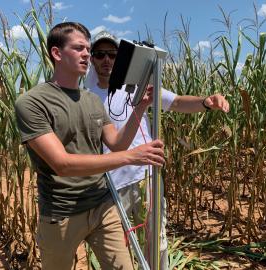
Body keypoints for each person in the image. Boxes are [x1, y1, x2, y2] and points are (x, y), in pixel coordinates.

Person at [14, 22, 165, 270]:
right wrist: (131, 157)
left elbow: (117, 144)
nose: (87, 54)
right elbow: (62, 164)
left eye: (87, 48)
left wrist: (140, 107)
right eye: (79, 48)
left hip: (102, 205)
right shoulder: (32, 103)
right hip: (61, 212)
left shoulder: (93, 100)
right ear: (57, 53)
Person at [84, 30, 230, 269]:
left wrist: (206, 102)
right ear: (92, 59)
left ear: (121, 57)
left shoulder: (139, 88)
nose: (106, 60)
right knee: (115, 249)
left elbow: (178, 102)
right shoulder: (87, 97)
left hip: (146, 179)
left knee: (156, 242)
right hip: (109, 186)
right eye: (99, 54)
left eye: (112, 54)